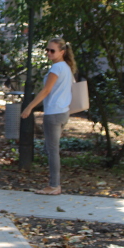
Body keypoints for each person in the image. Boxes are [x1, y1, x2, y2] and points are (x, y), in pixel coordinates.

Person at [21, 37, 76, 195]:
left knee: (52, 150)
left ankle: (54, 185)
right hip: (63, 112)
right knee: (51, 148)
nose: (49, 53)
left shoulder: (56, 69)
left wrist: (29, 107)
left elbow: (46, 91)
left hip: (54, 113)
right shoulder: (66, 67)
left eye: (52, 50)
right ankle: (54, 184)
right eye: (47, 50)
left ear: (62, 52)